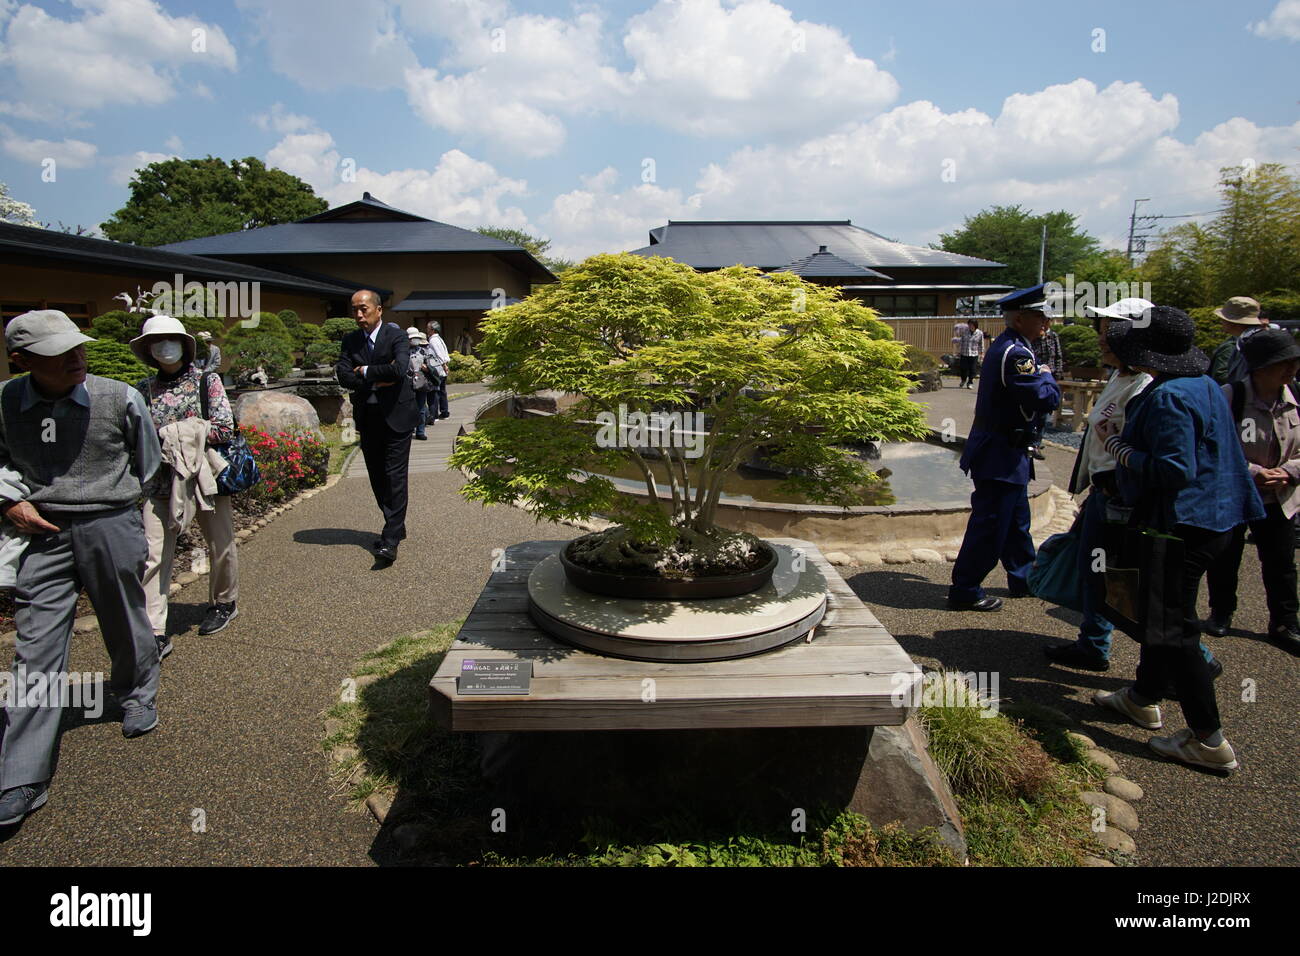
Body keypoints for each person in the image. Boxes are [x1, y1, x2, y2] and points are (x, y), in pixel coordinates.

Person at [0, 311, 162, 825]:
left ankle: (136, 692)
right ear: (21, 360)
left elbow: (149, 461)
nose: (76, 358)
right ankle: (21, 774)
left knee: (123, 617)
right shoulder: (5, 401)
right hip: (40, 530)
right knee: (35, 648)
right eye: (58, 352)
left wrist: (124, 509)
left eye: (78, 347)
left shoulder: (118, 396)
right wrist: (7, 501)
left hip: (110, 524)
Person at [1092, 306, 1263, 772]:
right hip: (1221, 518)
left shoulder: (1167, 398)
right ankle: (1142, 697)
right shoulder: (1205, 386)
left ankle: (1209, 739)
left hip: (1179, 525)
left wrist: (1118, 447)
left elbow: (1173, 469)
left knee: (1174, 628)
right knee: (1164, 616)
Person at [1044, 299, 1154, 670]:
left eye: (1112, 334)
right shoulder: (1118, 376)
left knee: (1126, 584)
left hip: (1123, 499)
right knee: (1097, 574)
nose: (1103, 341)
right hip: (1104, 494)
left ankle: (1187, 660)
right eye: (1102, 332)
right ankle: (1093, 644)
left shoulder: (1145, 384)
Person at [948, 284, 1062, 611]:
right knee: (991, 523)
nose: (1047, 322)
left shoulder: (1010, 345)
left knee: (1015, 520)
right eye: (1040, 316)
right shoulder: (1018, 354)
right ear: (1019, 318)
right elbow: (1045, 399)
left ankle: (1023, 577)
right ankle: (965, 588)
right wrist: (1048, 376)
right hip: (1001, 452)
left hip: (1007, 450)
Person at [133, 315, 240, 646]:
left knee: (220, 543)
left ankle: (224, 602)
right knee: (153, 554)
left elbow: (223, 427)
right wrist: (184, 433)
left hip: (203, 478)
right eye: (157, 341)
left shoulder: (206, 382)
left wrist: (169, 435)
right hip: (161, 482)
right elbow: (137, 438)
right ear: (149, 349)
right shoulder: (142, 391)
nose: (164, 346)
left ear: (184, 345)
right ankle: (154, 630)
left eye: (171, 339)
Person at [1204, 327, 1300, 653]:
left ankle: (1285, 621)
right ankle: (1221, 610)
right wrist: (1254, 472)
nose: (1291, 370)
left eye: (1293, 362)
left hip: (1281, 494)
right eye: (1282, 363)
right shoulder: (1231, 396)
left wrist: (1288, 472)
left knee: (1281, 562)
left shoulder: (1296, 397)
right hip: (1236, 492)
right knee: (1225, 556)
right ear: (1259, 367)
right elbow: (1214, 444)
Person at [336, 291, 418, 564]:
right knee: (377, 476)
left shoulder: (397, 336)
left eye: (364, 309)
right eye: (355, 310)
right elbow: (344, 376)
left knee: (395, 476)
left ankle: (390, 539)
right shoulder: (350, 340)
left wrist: (365, 371)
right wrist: (374, 375)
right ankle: (396, 523)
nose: (359, 315)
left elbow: (400, 370)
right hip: (368, 417)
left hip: (398, 416)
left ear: (379, 310)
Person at [1208, 296, 1264, 385]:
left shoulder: (1237, 345)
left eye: (1224, 318)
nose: (1221, 321)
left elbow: (1220, 377)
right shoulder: (1257, 339)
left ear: (1234, 322)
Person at [406, 326, 431, 440]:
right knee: (409, 408)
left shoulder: (423, 351)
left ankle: (421, 431)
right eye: (412, 338)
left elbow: (431, 364)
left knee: (421, 406)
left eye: (416, 338)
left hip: (421, 380)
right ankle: (410, 430)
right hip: (408, 382)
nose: (415, 340)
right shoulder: (403, 352)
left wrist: (427, 368)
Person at [425, 320, 451, 422]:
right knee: (442, 391)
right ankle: (444, 412)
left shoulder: (433, 340)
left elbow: (439, 354)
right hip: (443, 368)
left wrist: (444, 365)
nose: (426, 330)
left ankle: (434, 415)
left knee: (435, 391)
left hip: (438, 369)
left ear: (432, 329)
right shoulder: (439, 339)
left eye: (428, 328)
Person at [955, 318, 984, 389]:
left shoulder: (979, 333)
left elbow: (981, 344)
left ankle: (970, 382)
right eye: (969, 324)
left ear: (975, 325)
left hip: (974, 353)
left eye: (972, 324)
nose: (970, 326)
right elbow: (961, 342)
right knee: (963, 368)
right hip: (964, 353)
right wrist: (959, 351)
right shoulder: (964, 332)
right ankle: (963, 380)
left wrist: (982, 353)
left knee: (973, 369)